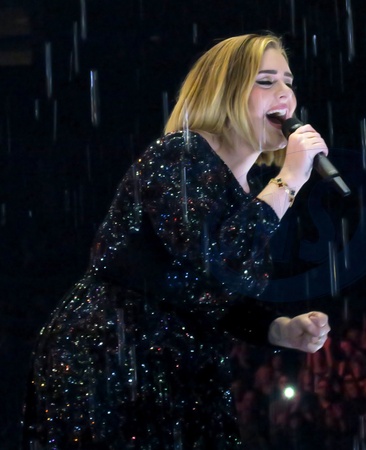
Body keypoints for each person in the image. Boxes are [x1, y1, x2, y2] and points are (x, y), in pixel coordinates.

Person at [21, 33, 332, 449]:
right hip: (114, 356)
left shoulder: (251, 193)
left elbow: (209, 292)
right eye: (265, 81)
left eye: (288, 82)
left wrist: (278, 329)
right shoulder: (181, 154)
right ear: (223, 93)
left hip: (183, 366)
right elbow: (212, 255)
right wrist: (289, 179)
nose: (285, 94)